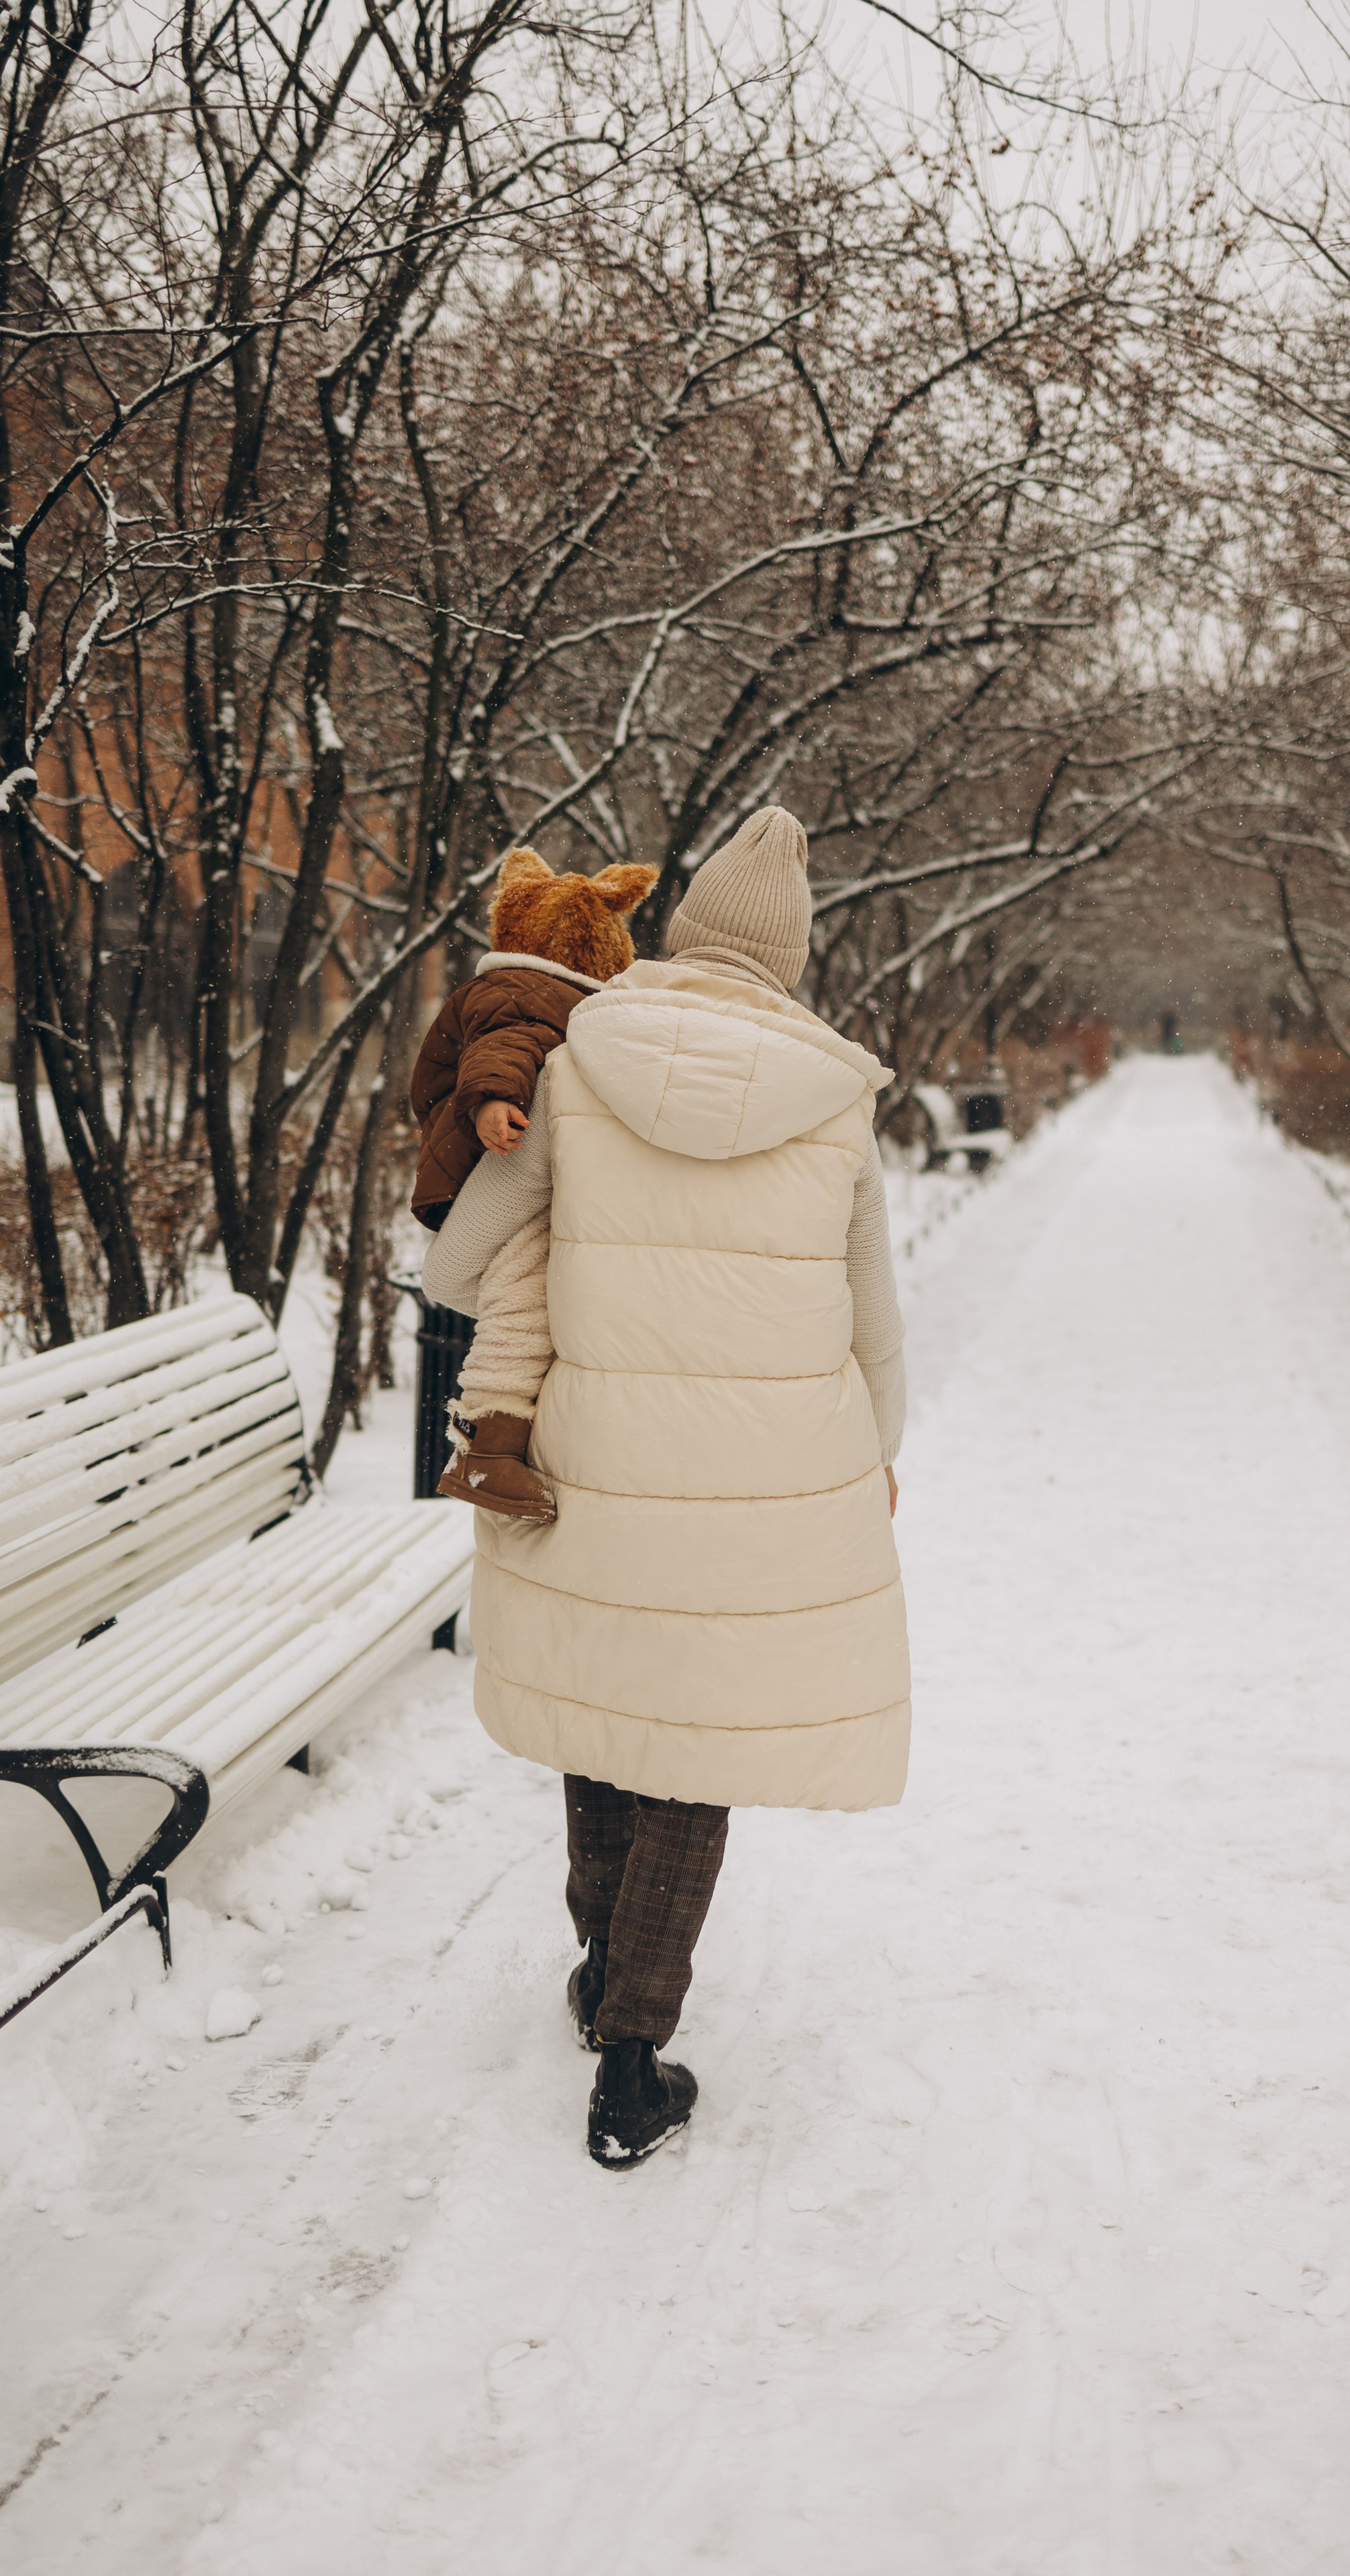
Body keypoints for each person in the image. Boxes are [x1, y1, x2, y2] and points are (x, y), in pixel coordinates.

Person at [422, 806, 910, 2167]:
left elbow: (459, 1267)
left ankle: (599, 1964)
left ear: (682, 933)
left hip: (598, 1454)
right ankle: (634, 2060)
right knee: (696, 1747)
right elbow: (872, 1317)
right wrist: (877, 1450)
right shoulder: (835, 1102)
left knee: (608, 1701)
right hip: (768, 1481)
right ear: (790, 960)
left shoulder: (580, 1063)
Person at [409, 847, 655, 1523]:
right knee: (523, 1299)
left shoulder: (528, 993)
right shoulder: (531, 994)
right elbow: (504, 1052)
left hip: (489, 1156)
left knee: (527, 1294)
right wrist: (493, 1103)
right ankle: (487, 1451)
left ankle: (498, 1443)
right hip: (494, 1154)